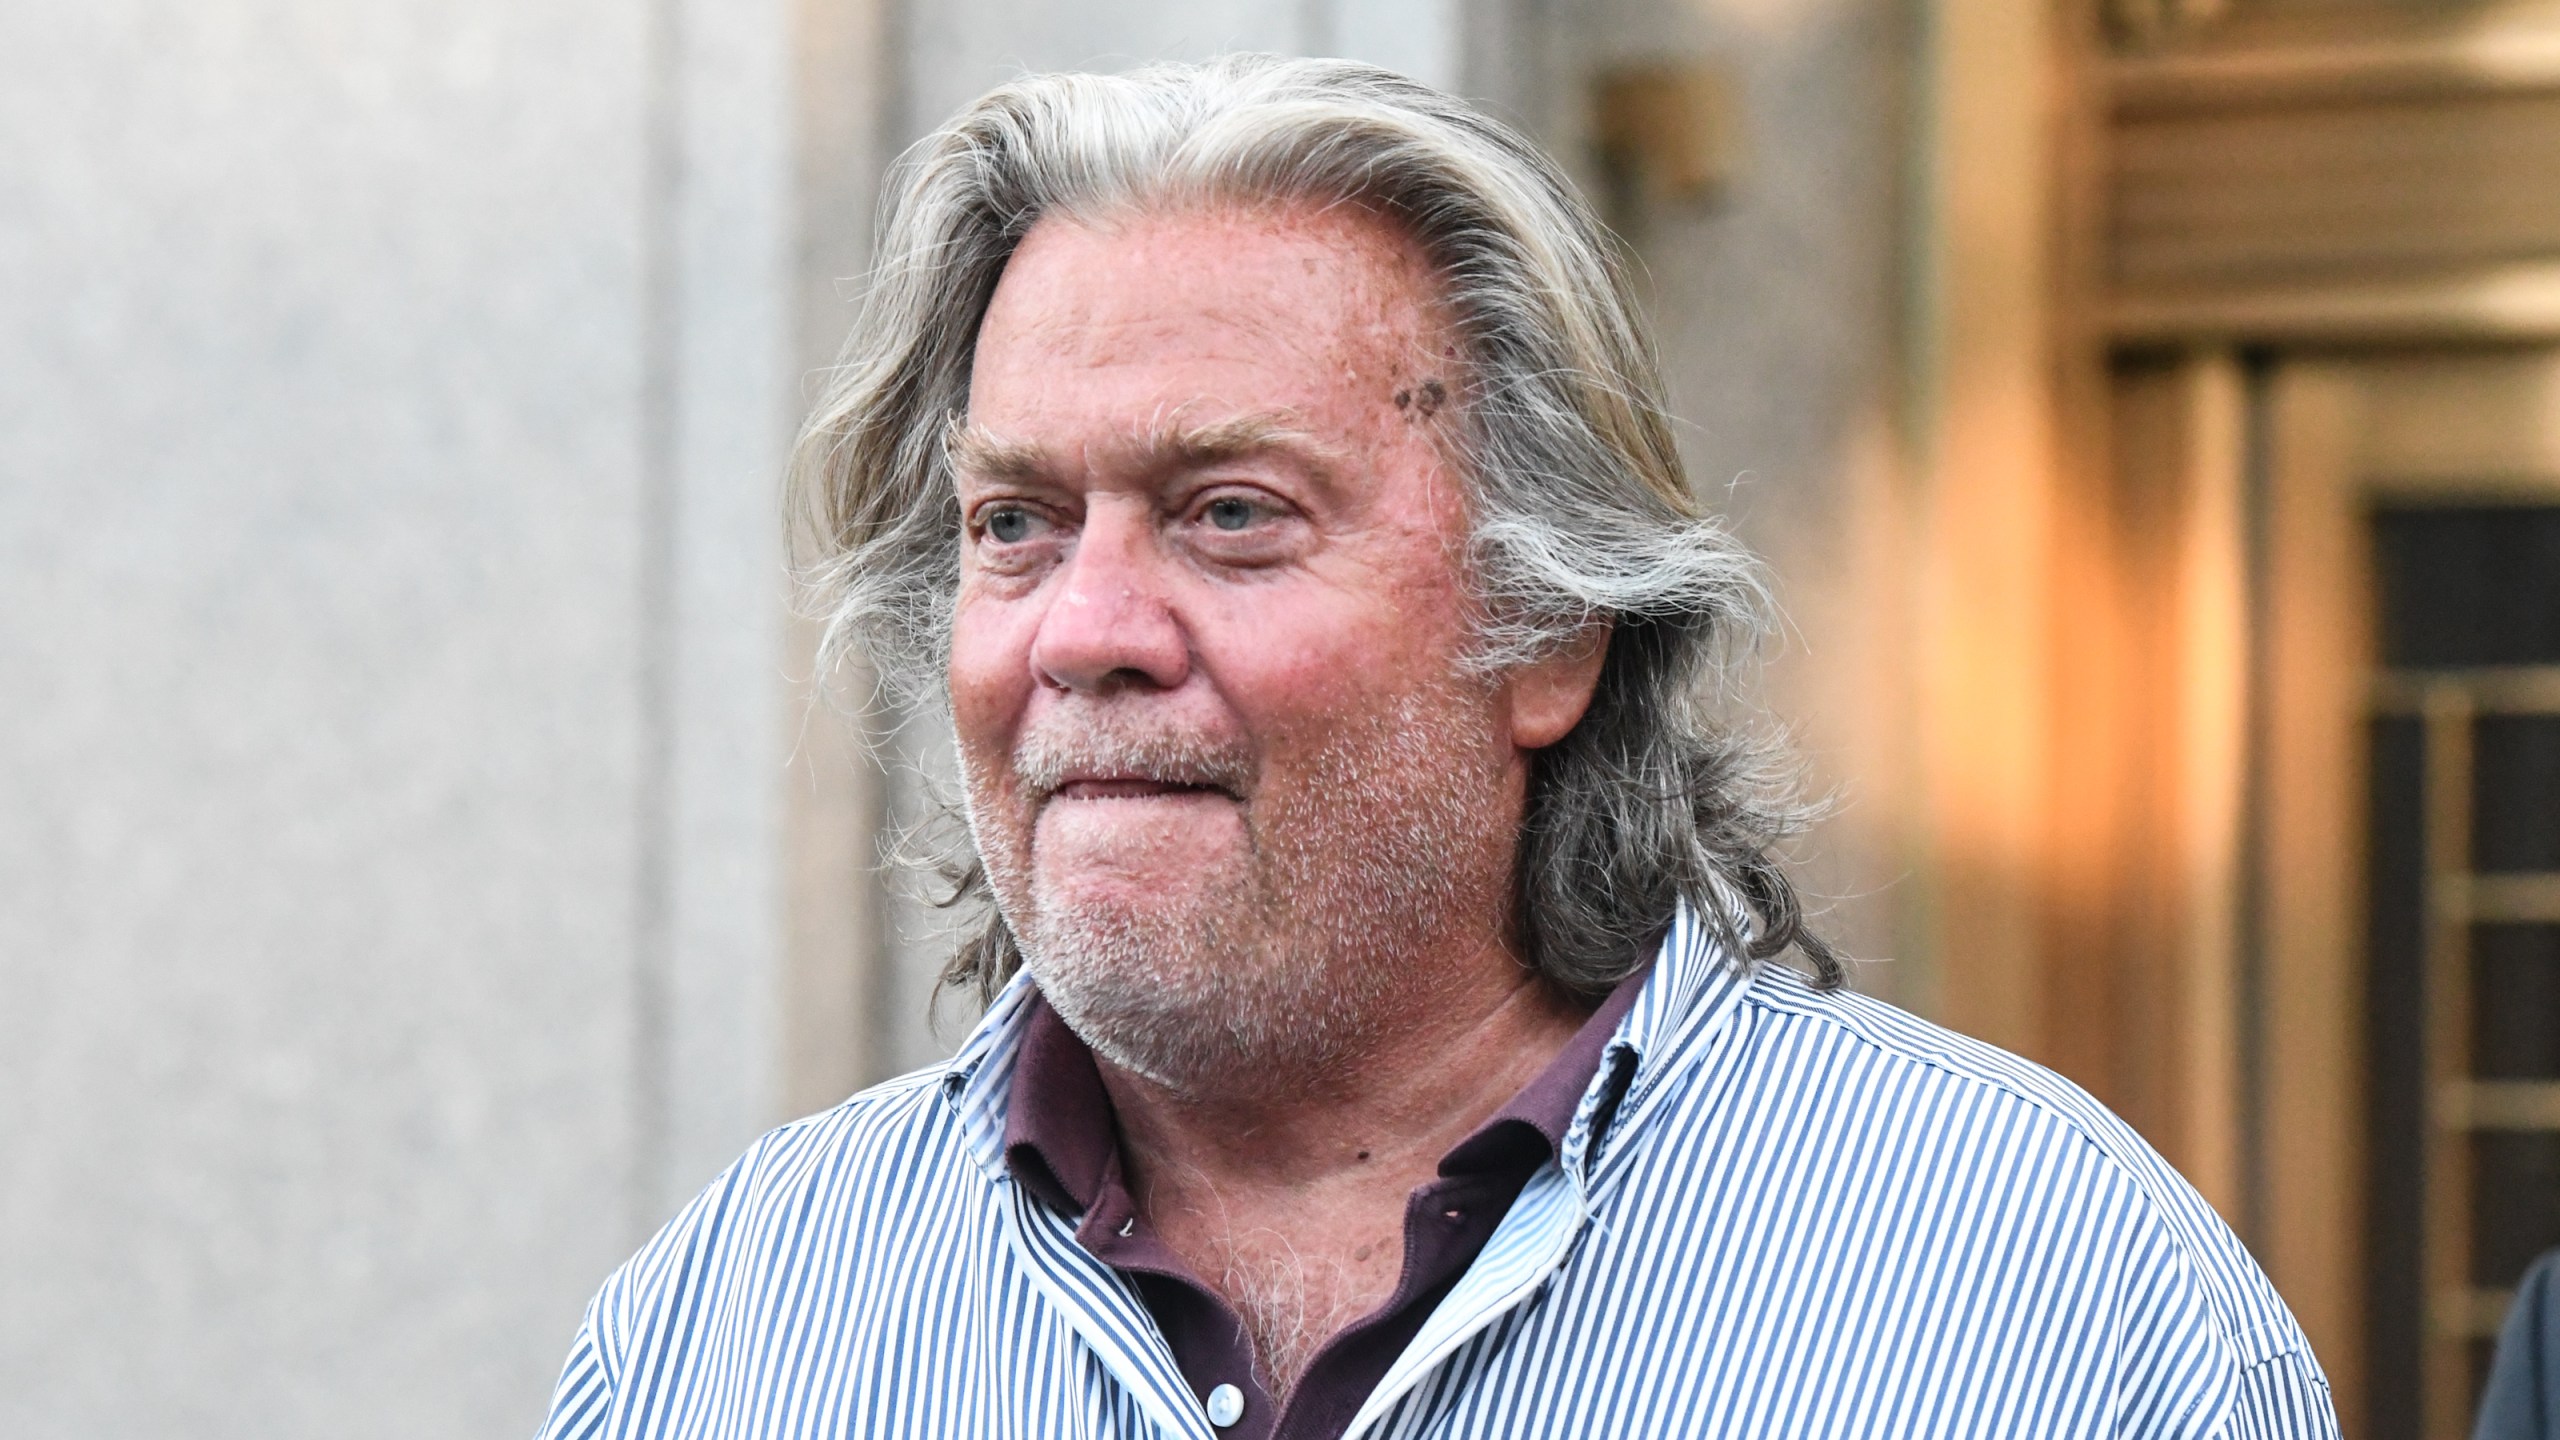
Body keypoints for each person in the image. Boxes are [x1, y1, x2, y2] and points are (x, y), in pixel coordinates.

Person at [535, 55, 2338, 1439]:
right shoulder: (744, 1323)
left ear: (1546, 629)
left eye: (1230, 513)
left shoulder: (2035, 1306)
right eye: (1014, 523)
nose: (1084, 630)